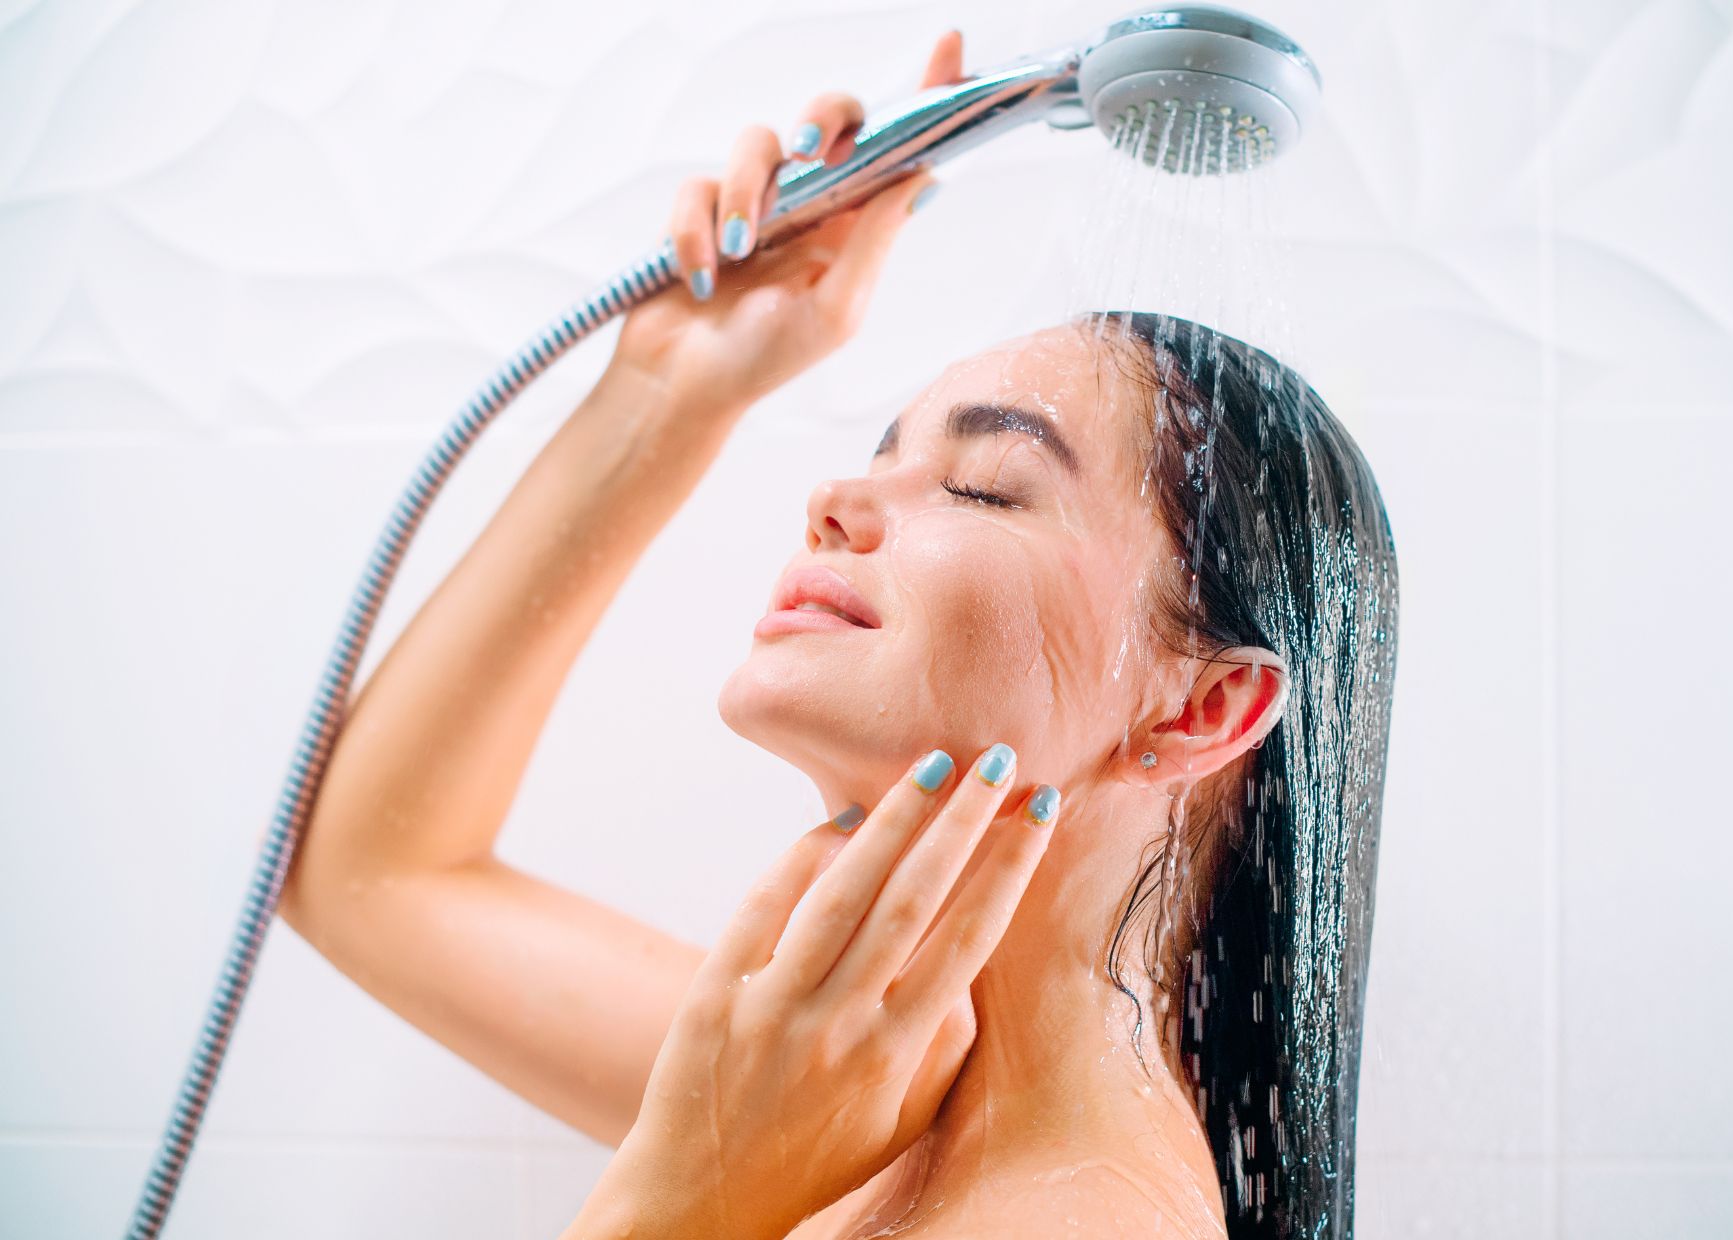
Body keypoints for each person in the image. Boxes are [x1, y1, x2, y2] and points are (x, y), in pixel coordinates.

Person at [282, 29, 1399, 1240]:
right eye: (882, 457)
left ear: (1199, 708)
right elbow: (367, 869)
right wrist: (669, 391)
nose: (836, 502)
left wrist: (695, 1197)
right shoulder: (860, 1091)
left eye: (982, 483)